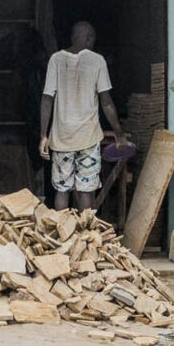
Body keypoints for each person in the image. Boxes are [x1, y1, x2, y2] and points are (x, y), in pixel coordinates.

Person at [38, 21, 128, 212]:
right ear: (89, 38)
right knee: (86, 192)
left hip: (62, 138)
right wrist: (119, 133)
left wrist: (43, 135)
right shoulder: (97, 61)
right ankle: (86, 237)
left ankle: (62, 234)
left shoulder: (56, 59)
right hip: (88, 138)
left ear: (72, 37)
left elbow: (47, 99)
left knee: (62, 191)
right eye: (93, 37)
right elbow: (106, 102)